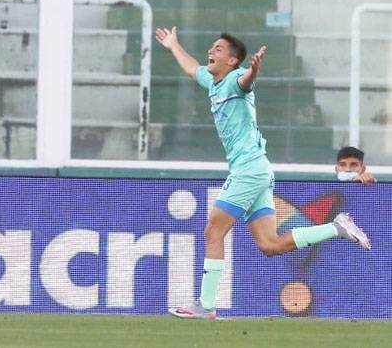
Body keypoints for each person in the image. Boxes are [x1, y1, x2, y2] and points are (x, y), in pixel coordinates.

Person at [155, 26, 371, 319]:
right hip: (259, 171)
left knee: (213, 230)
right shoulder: (213, 81)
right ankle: (336, 227)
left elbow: (245, 82)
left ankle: (205, 305)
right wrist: (173, 45)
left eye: (218, 49)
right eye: (212, 47)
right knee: (270, 245)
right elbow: (193, 68)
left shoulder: (233, 80)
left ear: (232, 61)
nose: (211, 51)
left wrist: (253, 72)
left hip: (248, 171)